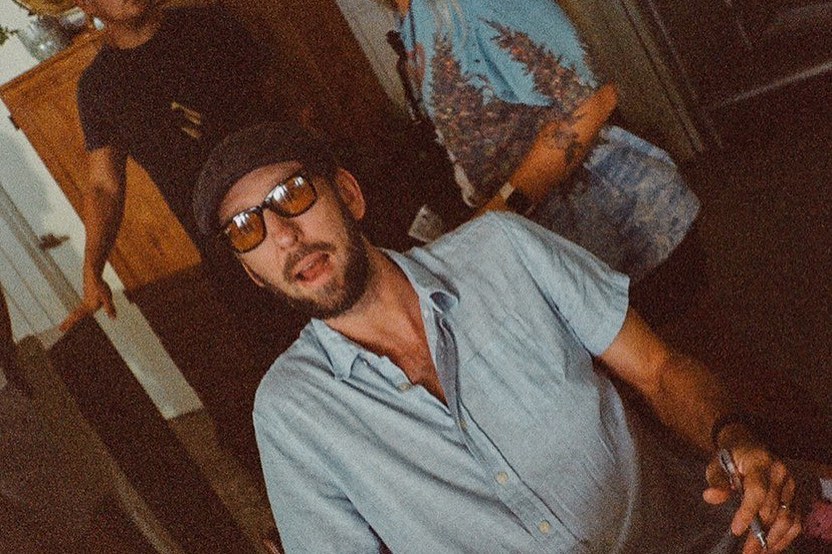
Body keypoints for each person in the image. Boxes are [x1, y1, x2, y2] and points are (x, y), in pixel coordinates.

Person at [191, 121, 810, 553]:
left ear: (349, 195)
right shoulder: (290, 411)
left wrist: (734, 438)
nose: (283, 235)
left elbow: (659, 370)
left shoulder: (503, 249)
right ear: (252, 272)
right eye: (246, 229)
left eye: (292, 195)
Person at [61, 0, 308, 469]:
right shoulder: (98, 87)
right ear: (85, 4)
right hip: (231, 255)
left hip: (298, 209)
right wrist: (92, 268)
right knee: (294, 363)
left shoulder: (208, 23)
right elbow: (103, 185)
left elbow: (285, 95)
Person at [383, 0, 700, 289]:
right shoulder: (410, 18)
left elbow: (592, 105)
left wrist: (497, 213)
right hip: (567, 254)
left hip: (632, 231)